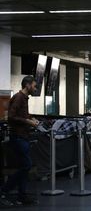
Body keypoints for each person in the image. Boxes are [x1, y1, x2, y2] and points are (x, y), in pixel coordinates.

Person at [1, 76, 39, 206]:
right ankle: (4, 190)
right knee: (26, 165)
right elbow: (11, 117)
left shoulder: (24, 99)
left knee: (25, 166)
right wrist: (27, 121)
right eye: (34, 86)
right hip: (18, 137)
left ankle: (21, 195)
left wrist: (31, 118)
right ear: (27, 85)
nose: (35, 88)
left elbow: (21, 115)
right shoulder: (18, 97)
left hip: (23, 136)